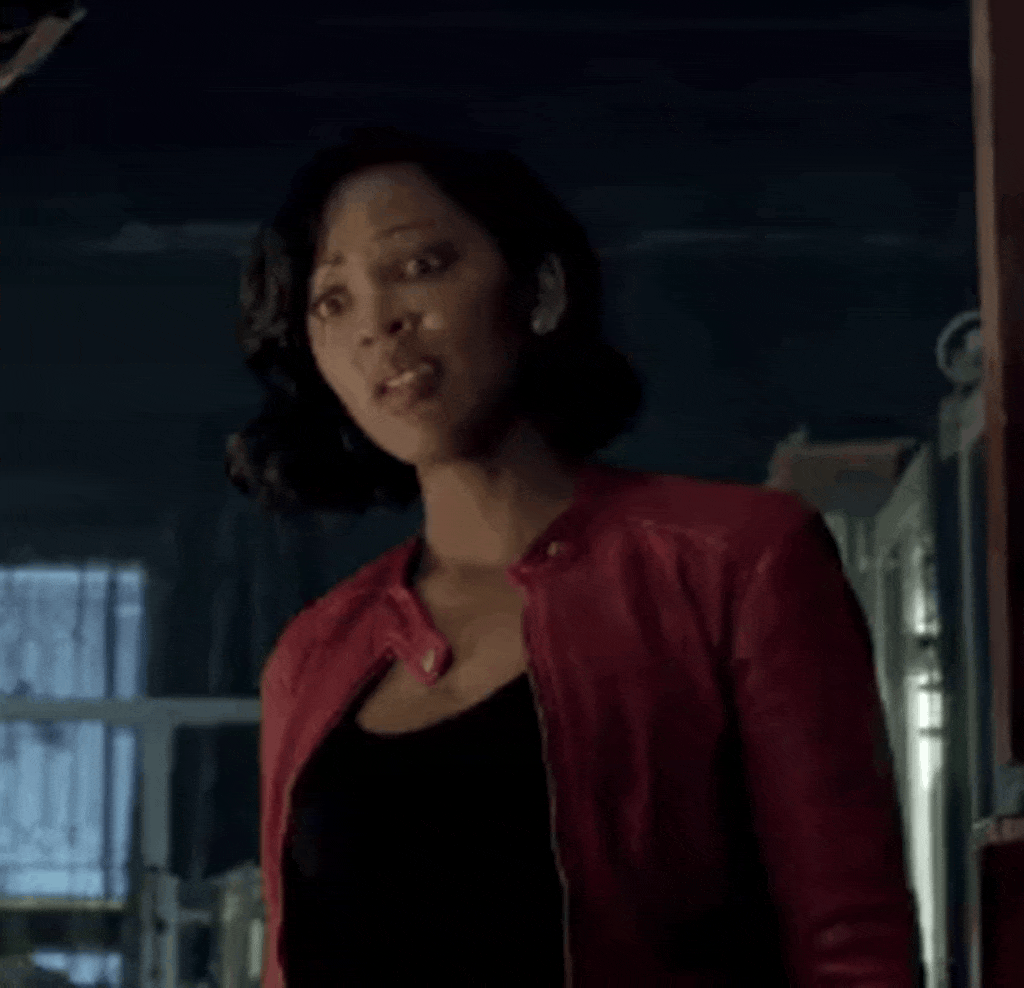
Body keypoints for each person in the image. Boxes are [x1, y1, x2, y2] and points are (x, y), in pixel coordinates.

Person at [228, 126, 921, 986]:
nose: (379, 322)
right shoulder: (313, 657)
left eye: (420, 265)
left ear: (542, 291)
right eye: (332, 301)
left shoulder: (735, 563)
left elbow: (849, 940)